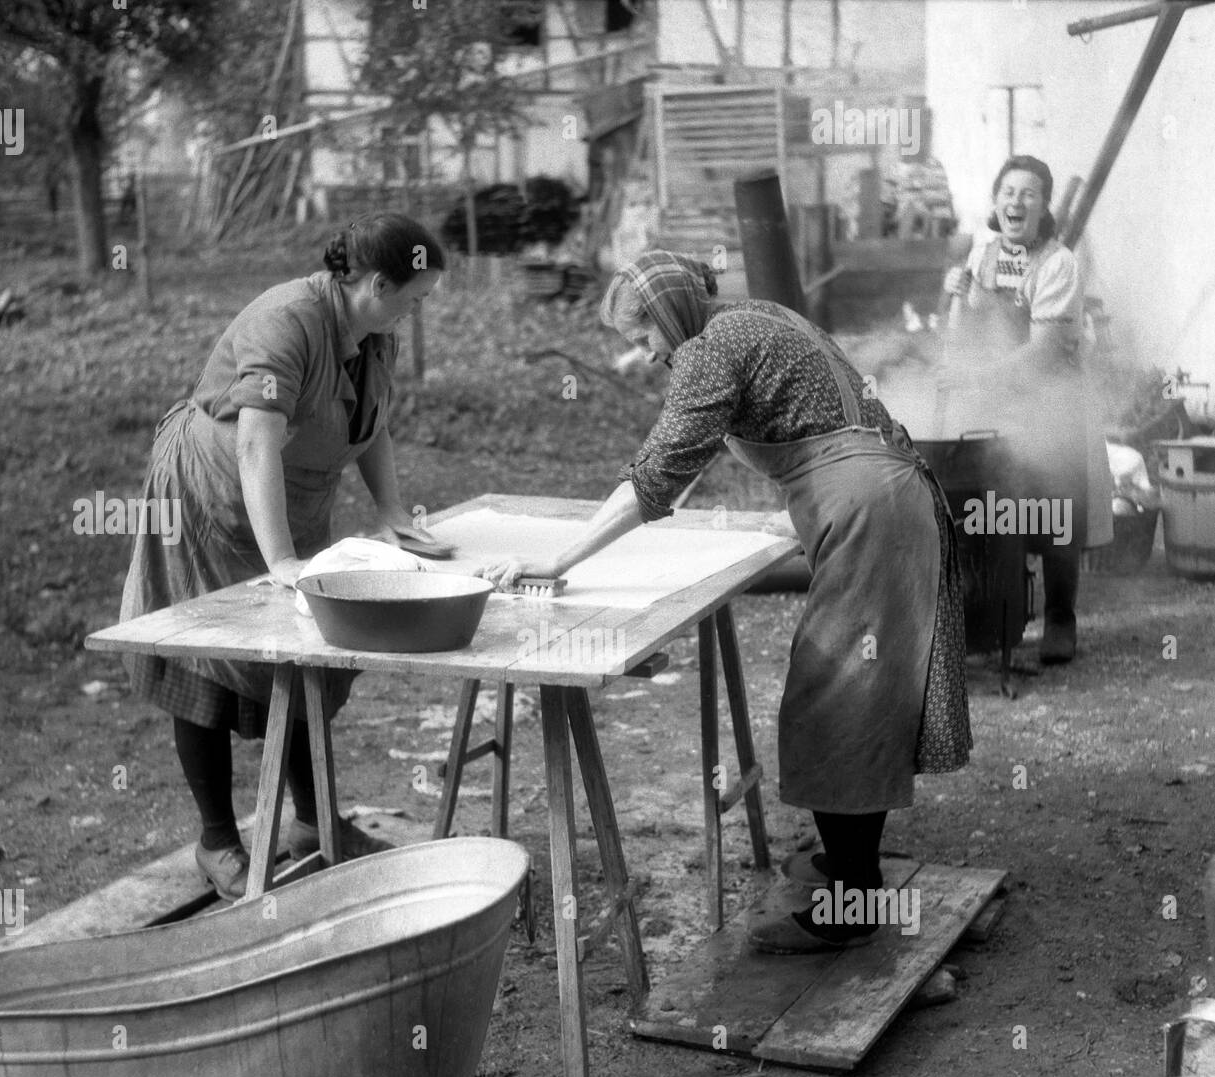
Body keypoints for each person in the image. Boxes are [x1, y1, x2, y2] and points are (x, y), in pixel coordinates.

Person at [482, 250, 972, 952]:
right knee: (850, 696)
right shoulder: (750, 318)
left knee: (840, 699)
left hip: (871, 514)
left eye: (643, 336)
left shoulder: (708, 350)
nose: (646, 353)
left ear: (669, 316)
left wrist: (557, 558)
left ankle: (853, 906)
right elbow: (747, 447)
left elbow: (656, 477)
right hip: (876, 498)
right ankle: (848, 866)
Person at [119, 212, 448, 900]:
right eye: (415, 294)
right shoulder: (288, 321)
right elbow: (252, 444)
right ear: (377, 283)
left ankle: (311, 822)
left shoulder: (372, 330)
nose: (422, 308)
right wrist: (280, 561)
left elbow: (372, 423)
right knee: (209, 656)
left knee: (301, 657)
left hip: (288, 499)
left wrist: (393, 515)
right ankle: (216, 842)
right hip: (209, 494)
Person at [941, 155, 1112, 663]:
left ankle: (1061, 618)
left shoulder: (1059, 264)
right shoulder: (983, 255)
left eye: (1029, 194)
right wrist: (956, 294)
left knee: (1055, 507)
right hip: (995, 399)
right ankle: (1003, 608)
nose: (1016, 202)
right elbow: (970, 334)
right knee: (994, 505)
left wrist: (975, 379)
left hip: (1050, 400)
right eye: (1008, 192)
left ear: (1044, 208)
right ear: (996, 202)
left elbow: (1043, 353)